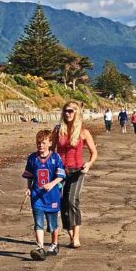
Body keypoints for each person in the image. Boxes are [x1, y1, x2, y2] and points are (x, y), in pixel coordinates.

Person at [52, 101, 98, 249]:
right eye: (65, 111)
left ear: (76, 113)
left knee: (72, 200)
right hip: (59, 171)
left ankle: (76, 236)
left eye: (71, 111)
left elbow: (94, 152)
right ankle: (71, 235)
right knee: (61, 202)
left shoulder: (84, 132)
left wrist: (89, 164)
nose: (67, 113)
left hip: (77, 171)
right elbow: (52, 150)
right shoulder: (58, 130)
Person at [22, 129, 66, 261]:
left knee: (52, 224)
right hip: (37, 196)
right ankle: (40, 247)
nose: (41, 145)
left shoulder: (55, 158)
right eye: (38, 143)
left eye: (43, 143)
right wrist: (29, 188)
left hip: (52, 196)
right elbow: (29, 176)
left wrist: (52, 184)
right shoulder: (32, 158)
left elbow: (61, 176)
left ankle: (54, 244)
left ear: (50, 143)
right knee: (38, 223)